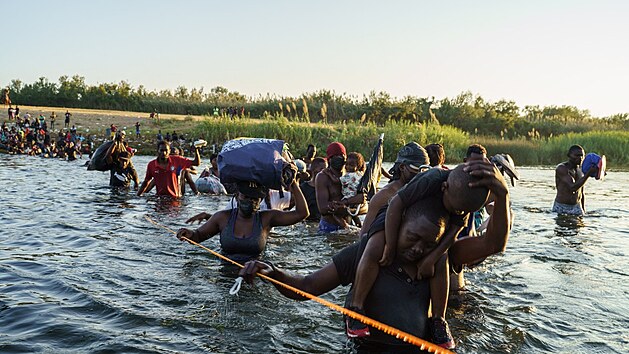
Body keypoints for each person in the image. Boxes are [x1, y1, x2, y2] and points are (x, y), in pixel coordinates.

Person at [238, 158, 510, 352]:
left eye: (429, 244)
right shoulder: (368, 251)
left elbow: (494, 243)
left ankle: (439, 323)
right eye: (412, 238)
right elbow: (307, 286)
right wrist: (271, 272)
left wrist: (502, 194)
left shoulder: (440, 258)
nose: (418, 249)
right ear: (401, 224)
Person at [176, 179, 309, 263]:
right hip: (225, 275)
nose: (250, 201)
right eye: (246, 197)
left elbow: (302, 213)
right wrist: (188, 234)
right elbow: (198, 236)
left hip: (255, 273)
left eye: (255, 199)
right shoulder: (222, 218)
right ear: (237, 196)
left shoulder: (266, 218)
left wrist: (293, 184)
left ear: (260, 200)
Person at [358, 142, 430, 236]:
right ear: (402, 167)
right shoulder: (384, 196)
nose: (421, 175)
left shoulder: (423, 190)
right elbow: (364, 235)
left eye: (425, 171)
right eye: (417, 170)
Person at [315, 142, 365, 233]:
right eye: (335, 156)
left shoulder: (353, 175)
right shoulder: (323, 177)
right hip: (329, 228)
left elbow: (365, 205)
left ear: (345, 158)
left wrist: (347, 205)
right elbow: (322, 209)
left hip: (349, 227)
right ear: (329, 159)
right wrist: (347, 205)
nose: (338, 159)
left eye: (341, 156)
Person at [137, 140, 201, 197]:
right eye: (161, 150)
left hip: (175, 199)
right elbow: (146, 181)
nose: (164, 153)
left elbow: (196, 163)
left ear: (169, 151)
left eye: (166, 150)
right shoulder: (152, 165)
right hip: (160, 198)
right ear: (157, 151)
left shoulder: (177, 161)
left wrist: (196, 150)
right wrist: (139, 195)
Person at [553, 145, 597, 215]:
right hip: (562, 207)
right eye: (577, 155)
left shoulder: (581, 170)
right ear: (569, 155)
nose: (580, 158)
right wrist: (588, 174)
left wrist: (583, 210)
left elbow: (581, 192)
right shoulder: (562, 169)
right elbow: (572, 187)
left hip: (577, 207)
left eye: (582, 156)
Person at [340, 152, 366, 227]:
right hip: (356, 199)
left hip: (349, 197)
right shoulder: (360, 174)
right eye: (346, 164)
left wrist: (331, 177)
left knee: (346, 214)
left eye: (351, 165)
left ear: (357, 166)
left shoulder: (349, 176)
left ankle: (348, 227)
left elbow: (340, 181)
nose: (348, 167)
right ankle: (359, 226)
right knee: (354, 215)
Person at [300, 157, 327, 222]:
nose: (325, 172)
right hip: (309, 223)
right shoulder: (304, 188)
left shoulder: (327, 187)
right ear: (314, 170)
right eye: (322, 169)